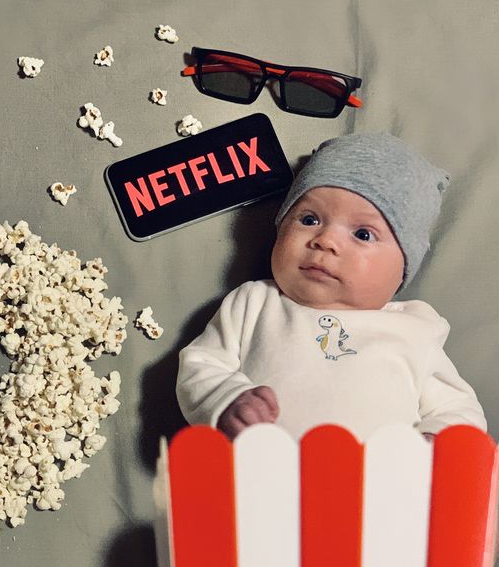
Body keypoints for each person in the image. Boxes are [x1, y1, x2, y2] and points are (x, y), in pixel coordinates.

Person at [176, 132, 486, 441]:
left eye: (363, 234)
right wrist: (227, 400)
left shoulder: (415, 329)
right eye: (309, 219)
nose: (325, 241)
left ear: (404, 266)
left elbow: (459, 409)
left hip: (379, 484)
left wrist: (433, 444)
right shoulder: (255, 303)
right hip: (264, 479)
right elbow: (202, 364)